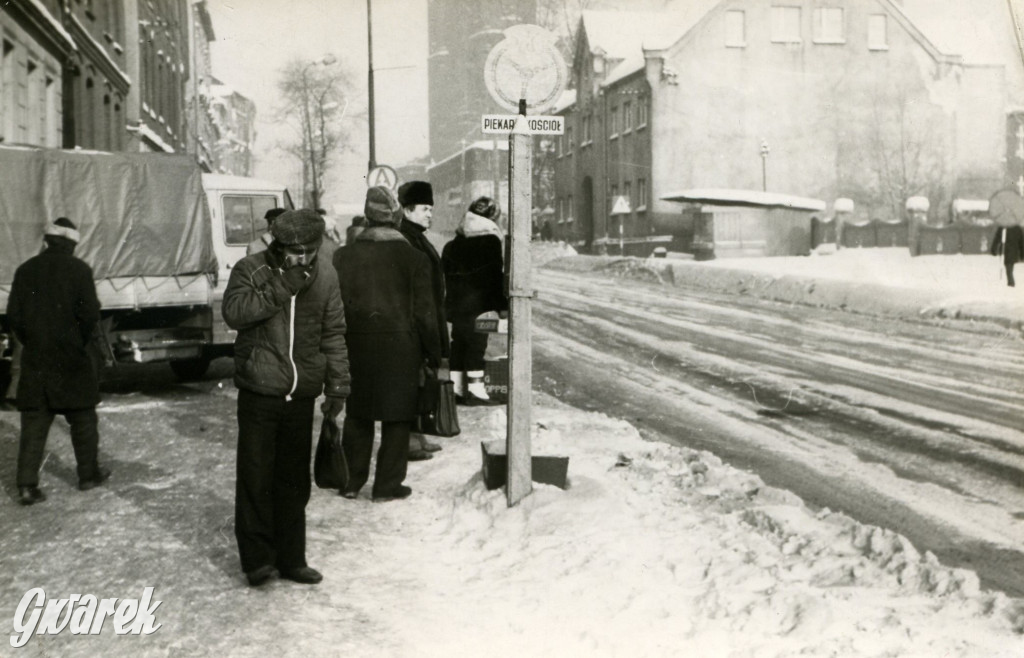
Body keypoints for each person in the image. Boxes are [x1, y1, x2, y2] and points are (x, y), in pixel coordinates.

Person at [222, 208, 350, 588]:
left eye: (310, 252)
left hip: (302, 392)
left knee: (294, 481)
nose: (303, 259)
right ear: (278, 246)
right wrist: (282, 287)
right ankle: (258, 561)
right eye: (295, 252)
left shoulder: (326, 275)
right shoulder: (251, 269)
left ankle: (293, 558)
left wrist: (338, 386)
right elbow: (234, 313)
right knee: (256, 477)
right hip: (260, 390)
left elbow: (333, 334)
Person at [332, 186, 442, 502]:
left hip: (357, 348)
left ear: (368, 216)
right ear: (394, 216)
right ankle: (386, 486)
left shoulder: (344, 256)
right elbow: (425, 313)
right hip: (401, 349)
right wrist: (434, 353)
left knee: (358, 415)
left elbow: (335, 306)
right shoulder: (413, 258)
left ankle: (351, 482)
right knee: (397, 419)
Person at [8, 217, 109, 505]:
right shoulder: (79, 270)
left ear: (47, 241)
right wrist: (76, 340)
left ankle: (27, 486)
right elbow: (90, 314)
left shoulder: (26, 270)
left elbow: (14, 316)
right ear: (73, 244)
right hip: (71, 359)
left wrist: (34, 340)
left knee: (34, 426)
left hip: (37, 359)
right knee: (84, 421)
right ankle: (88, 475)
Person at [397, 180, 448, 459]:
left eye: (431, 209)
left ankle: (418, 435)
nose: (430, 214)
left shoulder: (417, 235)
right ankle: (409, 441)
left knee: (420, 380)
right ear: (407, 210)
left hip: (427, 317)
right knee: (412, 382)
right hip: (415, 323)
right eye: (425, 209)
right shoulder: (406, 238)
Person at [441, 196, 508, 404]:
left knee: (459, 344)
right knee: (477, 345)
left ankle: (457, 390)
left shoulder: (452, 245)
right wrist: (502, 307)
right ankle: (477, 392)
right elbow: (494, 277)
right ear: (491, 218)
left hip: (457, 306)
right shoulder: (490, 241)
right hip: (480, 305)